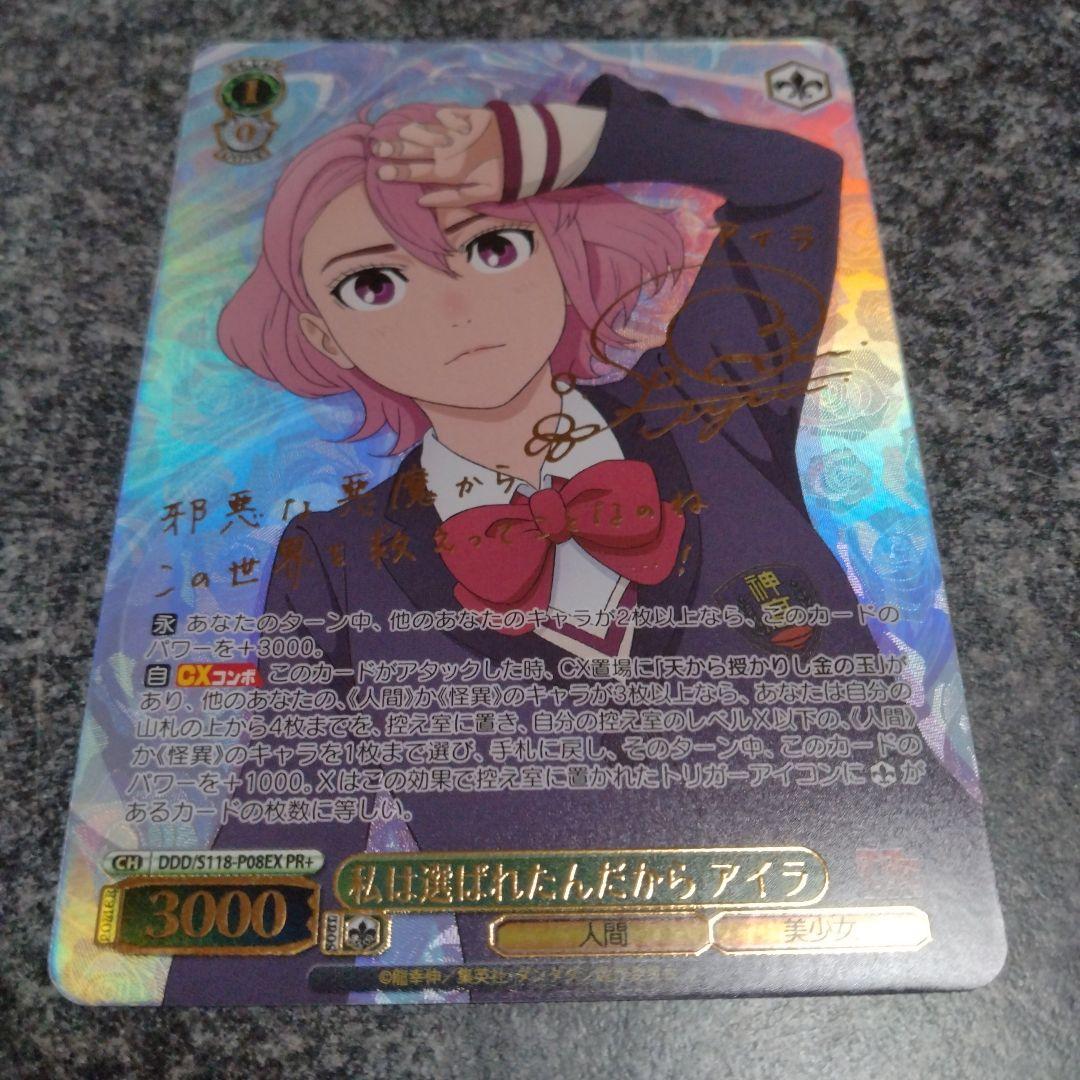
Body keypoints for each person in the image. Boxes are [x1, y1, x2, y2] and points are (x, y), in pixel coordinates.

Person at [164, 74, 994, 1004]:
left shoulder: (709, 405)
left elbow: (793, 183)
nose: (452, 307)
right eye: (375, 283)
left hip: (901, 947)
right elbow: (287, 837)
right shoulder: (338, 560)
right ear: (327, 336)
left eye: (493, 246)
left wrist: (563, 143)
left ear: (558, 253)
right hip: (561, 1011)